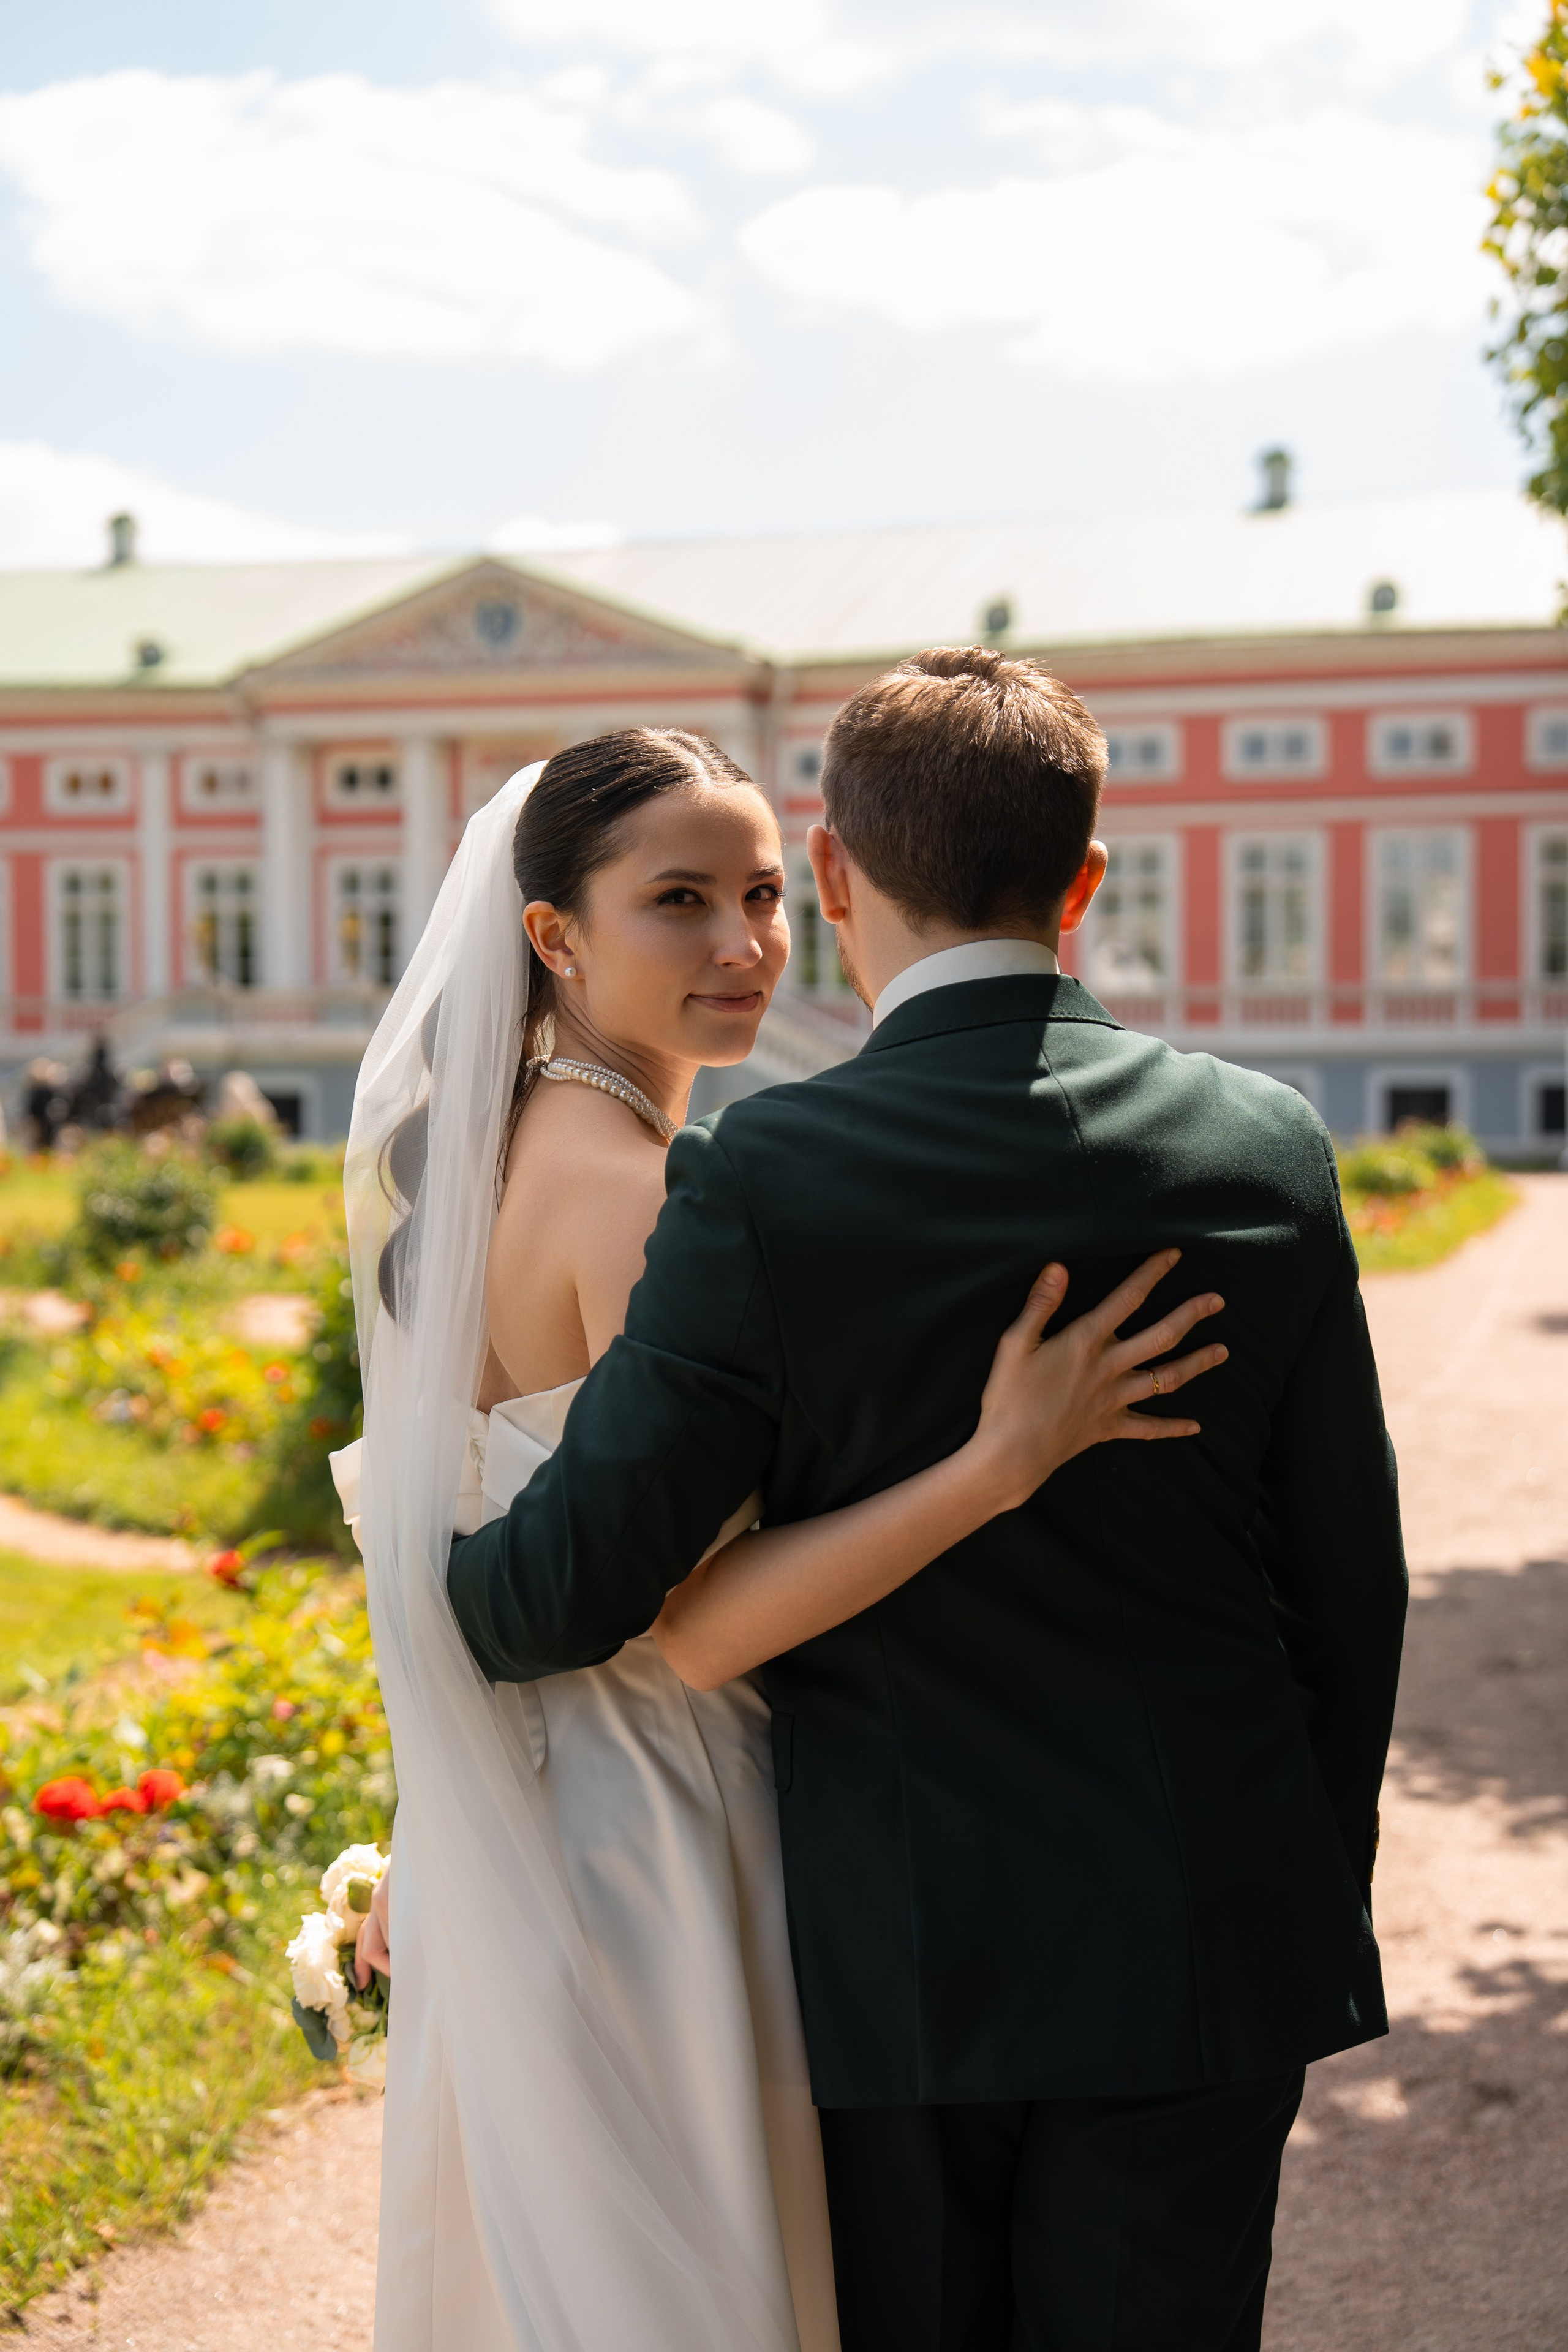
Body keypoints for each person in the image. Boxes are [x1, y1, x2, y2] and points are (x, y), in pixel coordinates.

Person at [448, 654, 1409, 2352]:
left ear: (828, 877)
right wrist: (1287, 1888)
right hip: (1203, 1934)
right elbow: (1350, 1588)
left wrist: (429, 1523)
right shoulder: (1267, 1149)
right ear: (1086, 877)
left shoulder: (765, 1177)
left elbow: (553, 1600)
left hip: (892, 1954)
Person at [337, 726, 1224, 2352]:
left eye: (761, 892)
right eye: (678, 901)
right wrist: (997, 1464)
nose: (745, 945)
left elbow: (472, 1542)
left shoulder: (489, 1162)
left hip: (517, 1821)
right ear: (555, 934)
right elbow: (691, 1621)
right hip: (657, 1830)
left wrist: (429, 1806)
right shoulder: (639, 1192)